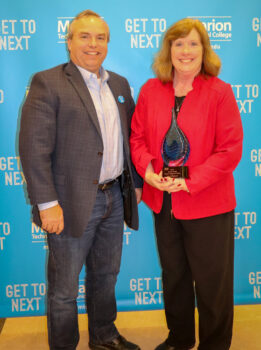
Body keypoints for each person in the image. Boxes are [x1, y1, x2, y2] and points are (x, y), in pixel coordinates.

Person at [19, 9, 142, 350]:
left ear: (107, 43)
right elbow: (33, 149)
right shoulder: (48, 82)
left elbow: (130, 139)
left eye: (100, 37)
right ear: (69, 41)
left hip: (113, 199)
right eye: (84, 36)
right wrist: (47, 204)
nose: (93, 44)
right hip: (68, 202)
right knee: (64, 288)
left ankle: (104, 336)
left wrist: (136, 185)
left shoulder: (118, 83)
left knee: (106, 277)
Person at [130, 18, 243, 350]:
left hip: (208, 203)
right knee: (174, 277)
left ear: (204, 49)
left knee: (212, 285)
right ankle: (179, 338)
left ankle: (214, 344)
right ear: (168, 50)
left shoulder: (220, 92)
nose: (186, 51)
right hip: (164, 201)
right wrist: (148, 170)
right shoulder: (152, 90)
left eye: (193, 43)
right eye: (178, 43)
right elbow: (137, 138)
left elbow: (230, 150)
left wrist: (192, 180)